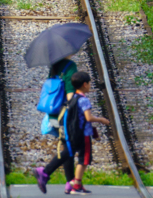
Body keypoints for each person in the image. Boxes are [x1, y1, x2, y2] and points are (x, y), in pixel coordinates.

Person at [33, 57, 77, 194]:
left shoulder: (54, 66)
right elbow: (70, 95)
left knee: (67, 145)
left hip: (53, 114)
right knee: (71, 146)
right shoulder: (70, 66)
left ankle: (70, 182)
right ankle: (45, 172)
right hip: (64, 114)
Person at [65, 71, 110, 195]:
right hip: (84, 134)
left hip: (76, 133)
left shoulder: (74, 97)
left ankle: (77, 183)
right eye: (89, 83)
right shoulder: (84, 100)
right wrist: (101, 120)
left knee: (82, 158)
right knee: (84, 159)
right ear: (85, 84)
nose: (90, 85)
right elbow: (88, 117)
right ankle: (76, 184)